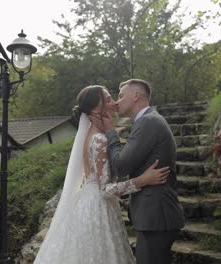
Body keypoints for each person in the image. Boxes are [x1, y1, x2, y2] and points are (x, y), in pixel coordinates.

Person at [33, 85, 171, 264]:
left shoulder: (91, 135)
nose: (114, 103)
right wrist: (142, 180)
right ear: (95, 109)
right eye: (108, 100)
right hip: (98, 207)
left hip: (89, 201)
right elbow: (105, 190)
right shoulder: (99, 139)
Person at [91, 79, 185, 264]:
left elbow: (121, 165)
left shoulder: (148, 121)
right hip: (155, 217)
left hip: (156, 217)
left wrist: (111, 132)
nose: (117, 102)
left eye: (120, 96)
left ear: (136, 96)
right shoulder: (147, 120)